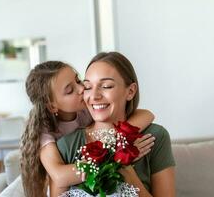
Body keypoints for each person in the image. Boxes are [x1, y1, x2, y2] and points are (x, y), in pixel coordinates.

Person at [20, 61, 156, 197]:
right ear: (52, 106)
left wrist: (122, 139)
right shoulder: (44, 130)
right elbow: (60, 177)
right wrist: (118, 157)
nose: (81, 89)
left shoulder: (85, 109)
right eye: (69, 90)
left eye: (78, 81)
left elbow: (147, 115)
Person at [56, 52, 176, 197]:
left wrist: (127, 172)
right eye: (87, 87)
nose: (94, 96)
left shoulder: (155, 136)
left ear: (130, 91)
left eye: (106, 86)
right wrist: (114, 160)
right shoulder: (66, 145)